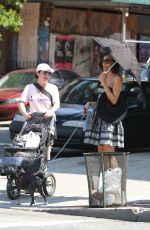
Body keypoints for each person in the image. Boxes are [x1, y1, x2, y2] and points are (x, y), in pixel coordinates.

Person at [83, 52, 124, 170]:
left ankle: (114, 180)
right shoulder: (103, 76)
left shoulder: (117, 78)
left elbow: (114, 100)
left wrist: (104, 83)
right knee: (100, 151)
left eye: (107, 61)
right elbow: (102, 100)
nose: (104, 63)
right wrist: (90, 104)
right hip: (99, 116)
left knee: (109, 152)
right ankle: (104, 180)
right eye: (103, 61)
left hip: (110, 119)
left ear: (114, 63)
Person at [18, 63, 60, 160]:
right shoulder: (29, 87)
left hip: (48, 120)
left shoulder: (53, 88)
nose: (47, 76)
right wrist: (25, 113)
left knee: (46, 146)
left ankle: (43, 168)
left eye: (49, 73)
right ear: (37, 73)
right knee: (29, 144)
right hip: (33, 120)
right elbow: (21, 102)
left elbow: (57, 104)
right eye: (45, 73)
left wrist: (51, 111)